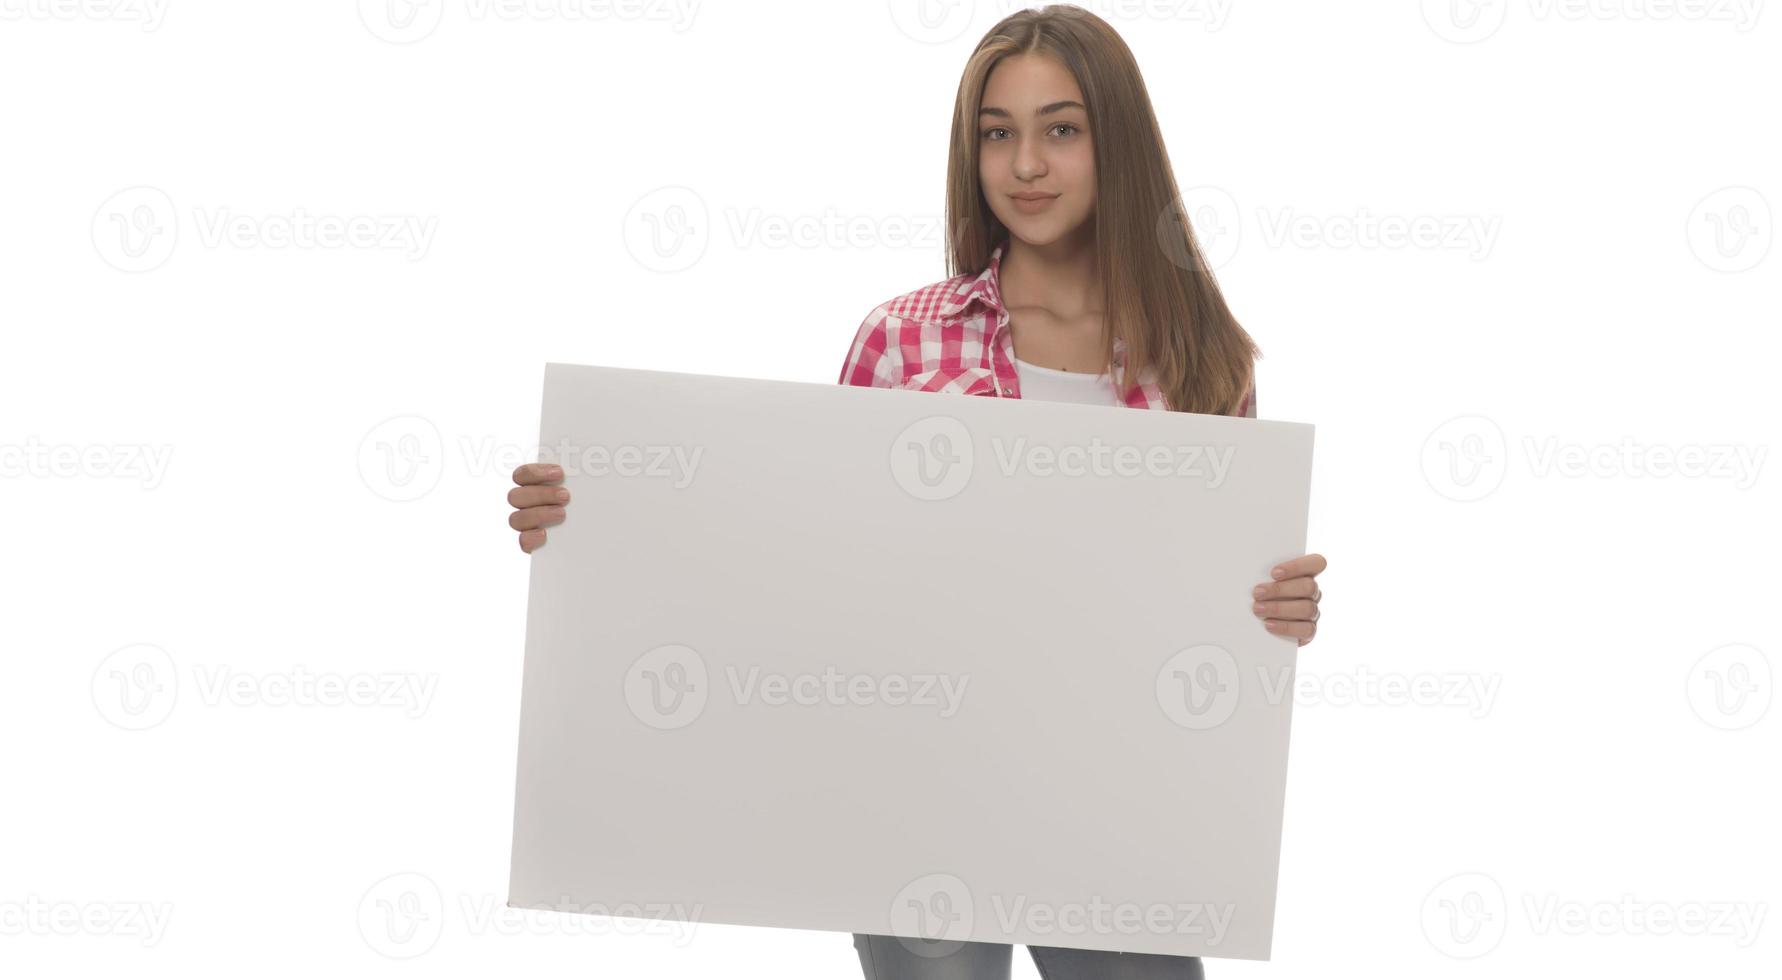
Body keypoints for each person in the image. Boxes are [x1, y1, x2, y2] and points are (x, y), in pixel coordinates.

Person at [506, 6, 1326, 977]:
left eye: (1061, 129)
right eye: (997, 132)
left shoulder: (1200, 364)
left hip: (1116, 809)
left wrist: (1279, 611)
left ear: (1120, 145)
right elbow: (802, 552)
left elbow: (1211, 619)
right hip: (917, 801)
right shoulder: (902, 339)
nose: (1025, 163)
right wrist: (601, 511)